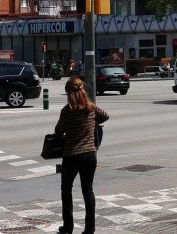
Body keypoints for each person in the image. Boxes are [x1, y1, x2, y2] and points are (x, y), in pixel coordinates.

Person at [54, 76, 109, 234]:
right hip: (90, 155)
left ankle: (68, 227)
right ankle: (89, 229)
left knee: (66, 190)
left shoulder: (67, 111)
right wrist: (94, 123)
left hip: (71, 155)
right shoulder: (91, 108)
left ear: (69, 93)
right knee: (88, 190)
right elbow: (106, 115)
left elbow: (58, 131)